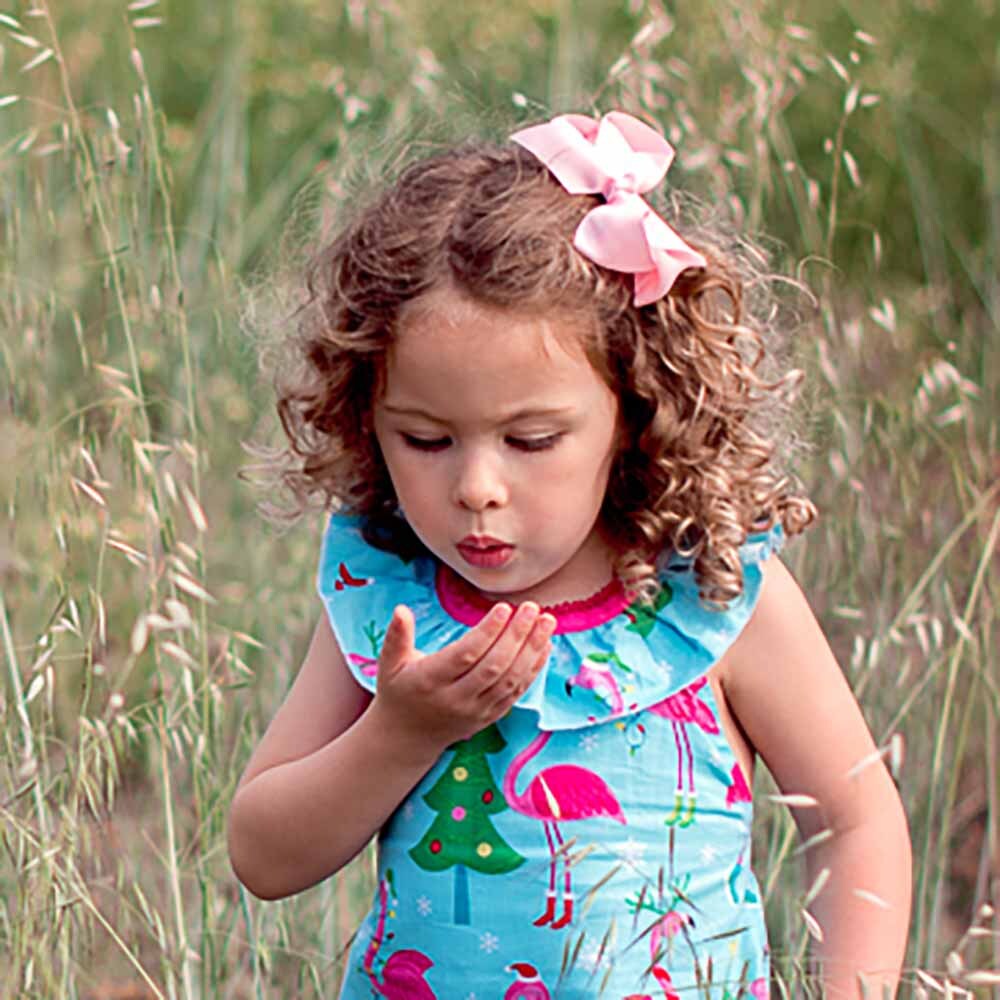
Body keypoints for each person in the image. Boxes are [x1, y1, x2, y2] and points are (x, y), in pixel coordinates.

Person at [228, 111, 911, 999]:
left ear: (631, 413)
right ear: (367, 423)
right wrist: (400, 733)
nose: (478, 486)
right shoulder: (391, 597)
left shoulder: (712, 593)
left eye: (533, 439)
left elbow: (856, 819)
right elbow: (263, 854)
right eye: (426, 441)